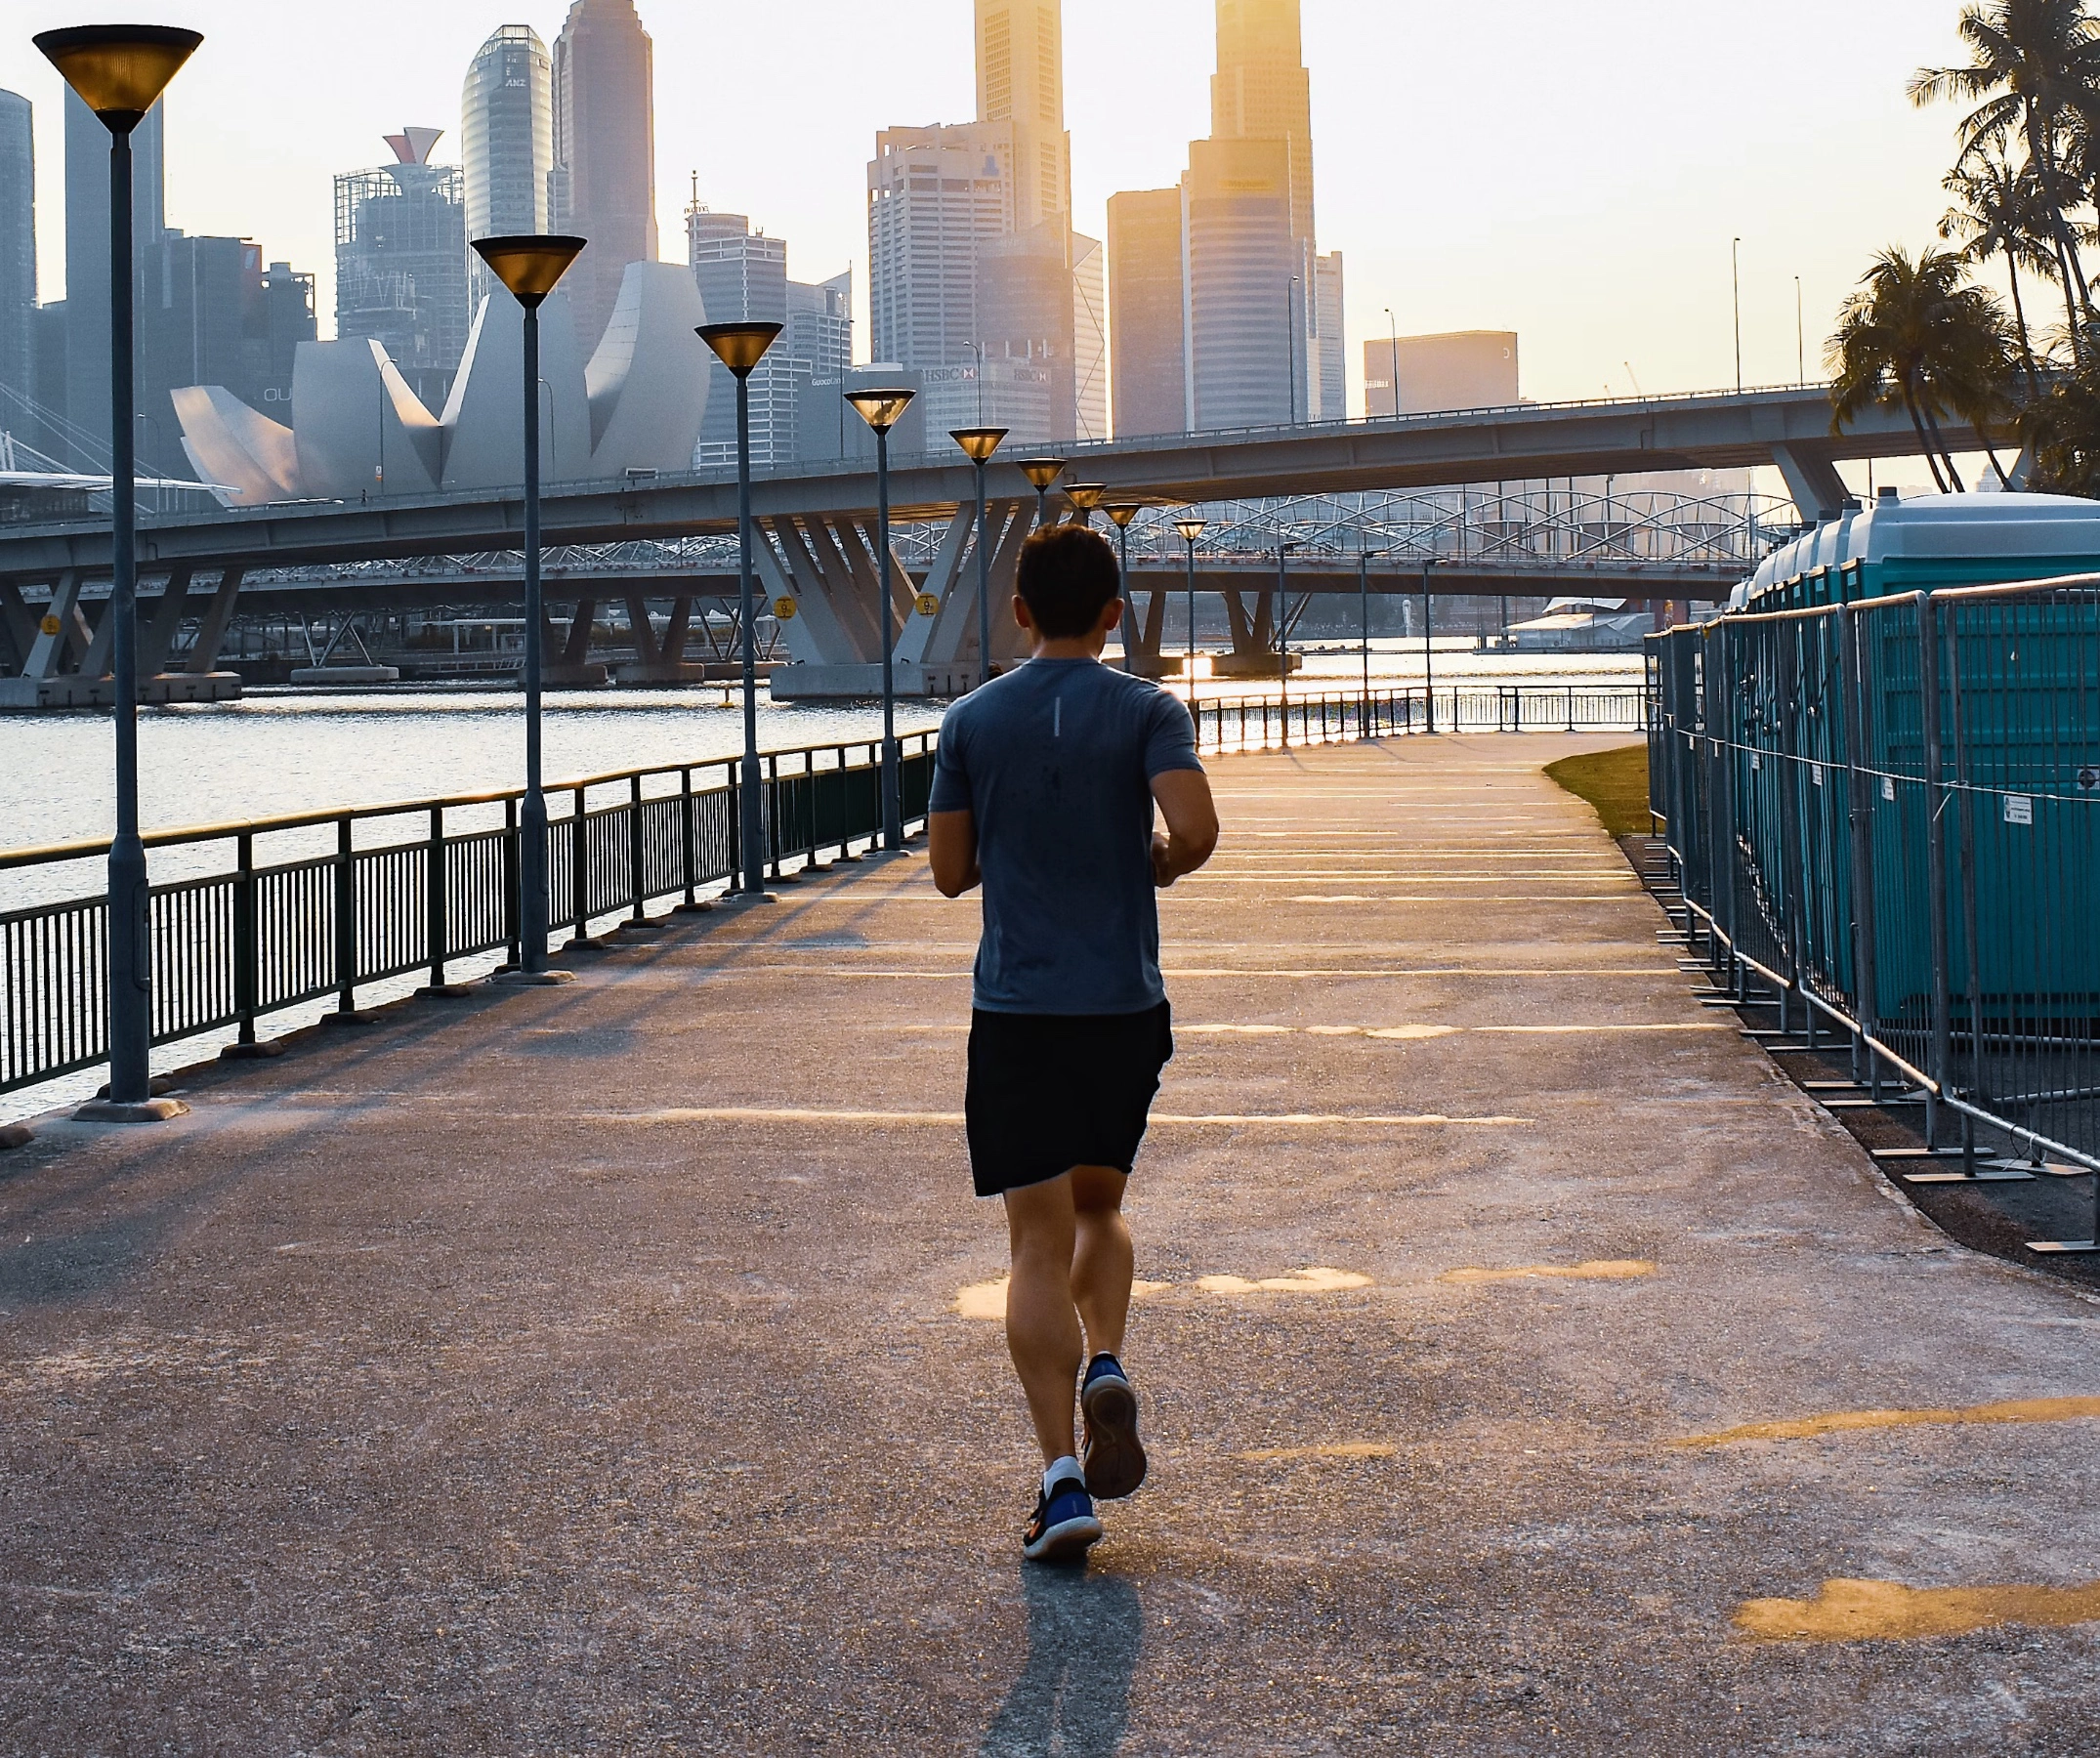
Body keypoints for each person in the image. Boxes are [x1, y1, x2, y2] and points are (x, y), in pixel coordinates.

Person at [928, 523, 1220, 1564]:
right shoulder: (1148, 707)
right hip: (1120, 1008)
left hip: (1016, 1011)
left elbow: (948, 873)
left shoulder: (969, 721)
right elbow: (1194, 829)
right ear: (1112, 614)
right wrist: (1156, 864)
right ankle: (1107, 1361)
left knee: (1032, 1242)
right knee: (1101, 1207)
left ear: (1016, 613)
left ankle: (1059, 1481)